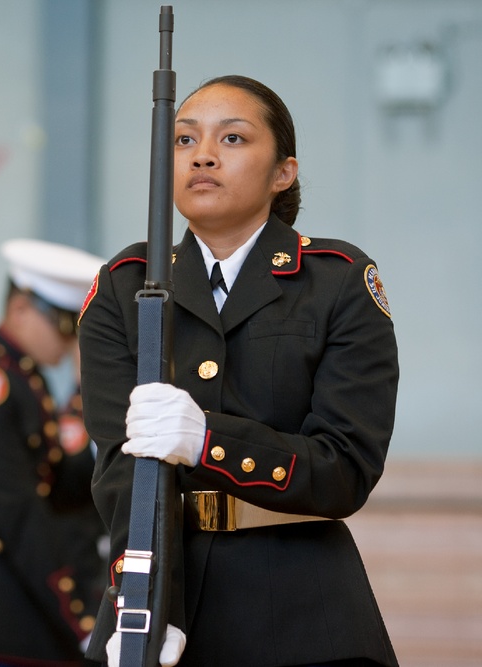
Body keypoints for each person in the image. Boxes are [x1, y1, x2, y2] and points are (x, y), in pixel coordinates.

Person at [78, 75, 400, 667]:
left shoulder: (336, 283)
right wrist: (145, 598)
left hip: (300, 611)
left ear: (284, 172)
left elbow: (345, 468)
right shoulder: (124, 288)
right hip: (158, 606)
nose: (201, 154)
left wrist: (209, 442)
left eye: (232, 138)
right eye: (183, 140)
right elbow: (118, 472)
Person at [0, 238, 107, 667]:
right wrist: (75, 618)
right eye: (62, 325)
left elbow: (57, 482)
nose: (68, 340)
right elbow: (20, 510)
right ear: (19, 310)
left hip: (13, 599)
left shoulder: (23, 377)